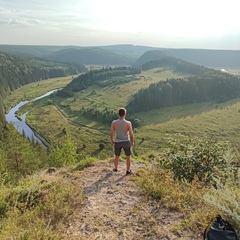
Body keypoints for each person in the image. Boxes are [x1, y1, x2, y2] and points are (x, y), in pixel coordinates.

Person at [110, 108, 134, 175]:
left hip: (117, 141)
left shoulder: (114, 122)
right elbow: (131, 134)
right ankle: (128, 170)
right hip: (126, 141)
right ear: (125, 114)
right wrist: (132, 141)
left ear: (118, 114)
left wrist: (112, 140)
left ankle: (115, 168)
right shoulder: (128, 123)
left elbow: (111, 133)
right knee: (128, 156)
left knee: (117, 156)